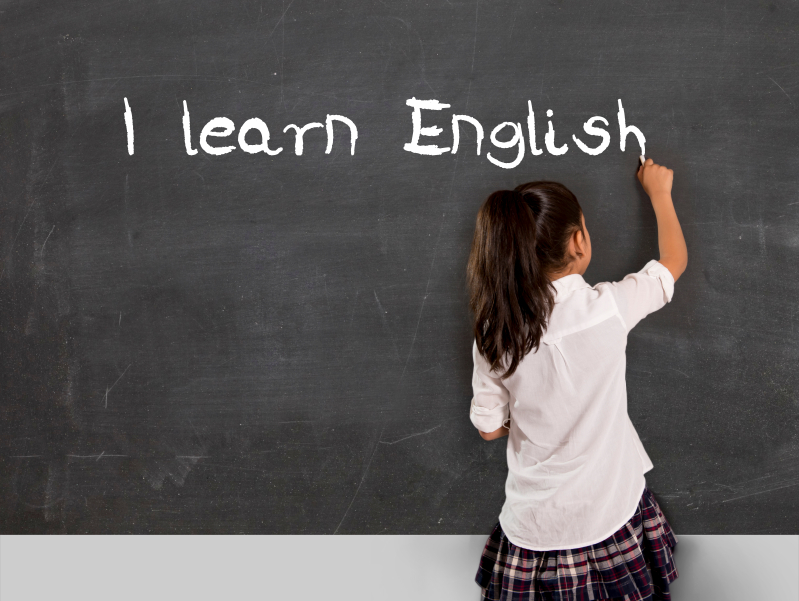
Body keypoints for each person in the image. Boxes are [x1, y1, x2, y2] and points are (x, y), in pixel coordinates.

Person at [466, 158, 687, 601]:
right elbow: (673, 262)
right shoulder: (608, 308)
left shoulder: (495, 333)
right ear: (578, 240)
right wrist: (660, 194)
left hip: (536, 531)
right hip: (611, 512)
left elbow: (489, 428)